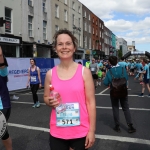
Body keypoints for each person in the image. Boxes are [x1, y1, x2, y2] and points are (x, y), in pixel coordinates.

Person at [43, 29, 96, 150]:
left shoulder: (85, 72)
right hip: (57, 131)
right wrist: (49, 101)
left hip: (80, 131)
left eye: (68, 43)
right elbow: (46, 97)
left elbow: (91, 103)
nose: (64, 47)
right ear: (55, 48)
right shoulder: (50, 74)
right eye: (60, 44)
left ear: (74, 47)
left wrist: (91, 130)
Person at [104, 56, 136, 133]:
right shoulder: (122, 69)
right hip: (123, 91)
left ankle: (117, 126)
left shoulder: (110, 71)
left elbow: (105, 83)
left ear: (110, 62)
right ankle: (130, 125)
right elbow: (126, 78)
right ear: (117, 61)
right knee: (125, 108)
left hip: (114, 91)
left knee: (115, 108)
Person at [0, 46, 13, 150]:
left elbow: (1, 61)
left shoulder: (2, 71)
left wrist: (0, 54)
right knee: (3, 133)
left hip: (2, 106)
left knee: (2, 132)